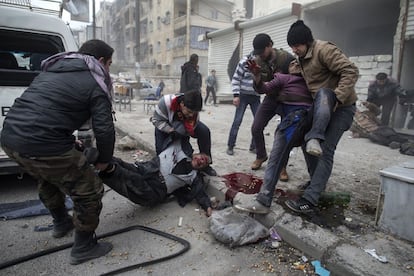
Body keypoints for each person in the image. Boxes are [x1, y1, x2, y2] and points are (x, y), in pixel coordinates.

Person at [0, 39, 115, 265]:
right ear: (101, 61)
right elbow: (104, 130)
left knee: (48, 175)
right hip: (41, 143)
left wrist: (69, 142)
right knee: (89, 190)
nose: (108, 69)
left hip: (10, 139)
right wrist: (103, 160)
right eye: (109, 64)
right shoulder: (95, 82)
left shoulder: (52, 69)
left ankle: (61, 223)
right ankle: (84, 246)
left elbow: (49, 113)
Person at [281, 20, 359, 213]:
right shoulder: (299, 58)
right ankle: (317, 183)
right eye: (292, 46)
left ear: (307, 41)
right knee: (308, 143)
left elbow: (351, 71)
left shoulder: (324, 50)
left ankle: (310, 199)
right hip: (319, 110)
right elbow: (295, 71)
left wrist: (336, 99)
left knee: (325, 149)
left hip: (341, 108)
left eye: (297, 45)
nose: (294, 49)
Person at [233, 60, 314, 214]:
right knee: (276, 158)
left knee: (312, 156)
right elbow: (264, 88)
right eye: (292, 63)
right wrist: (257, 76)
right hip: (293, 121)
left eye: (299, 62)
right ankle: (264, 200)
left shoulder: (313, 82)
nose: (296, 63)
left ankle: (315, 190)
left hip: (310, 122)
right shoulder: (284, 78)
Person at [97, 140, 213, 217]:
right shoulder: (180, 146)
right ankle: (99, 160)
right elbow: (179, 127)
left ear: (201, 168)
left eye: (203, 163)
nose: (201, 161)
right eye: (201, 157)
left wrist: (208, 207)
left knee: (135, 183)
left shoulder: (193, 177)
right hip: (149, 168)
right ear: (196, 154)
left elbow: (200, 194)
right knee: (124, 165)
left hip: (157, 189)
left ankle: (109, 169)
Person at [250, 33, 295, 182]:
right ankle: (261, 155)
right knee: (256, 127)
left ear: (270, 45)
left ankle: (282, 166)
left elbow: (297, 80)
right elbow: (259, 88)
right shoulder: (257, 61)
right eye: (258, 53)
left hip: (288, 99)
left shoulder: (287, 59)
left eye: (262, 51)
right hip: (270, 97)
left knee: (283, 134)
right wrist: (256, 76)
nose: (260, 55)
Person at [151, 90, 217, 176]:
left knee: (204, 131)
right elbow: (156, 120)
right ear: (182, 104)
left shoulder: (193, 113)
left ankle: (206, 166)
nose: (191, 115)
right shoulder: (165, 102)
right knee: (162, 154)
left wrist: (183, 135)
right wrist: (170, 130)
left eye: (194, 113)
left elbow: (191, 127)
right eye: (189, 112)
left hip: (183, 127)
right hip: (163, 125)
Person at [226, 51, 261, 156]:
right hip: (243, 95)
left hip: (256, 96)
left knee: (258, 122)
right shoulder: (244, 62)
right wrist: (236, 96)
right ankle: (230, 146)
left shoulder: (263, 62)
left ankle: (253, 146)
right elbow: (236, 78)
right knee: (237, 121)